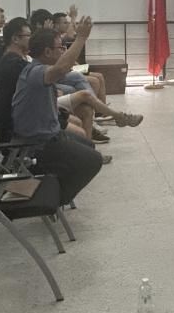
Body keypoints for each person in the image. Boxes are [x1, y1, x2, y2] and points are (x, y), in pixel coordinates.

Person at [13, 22, 105, 202]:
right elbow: (62, 68)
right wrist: (81, 38)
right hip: (38, 142)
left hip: (51, 133)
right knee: (93, 160)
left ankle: (53, 185)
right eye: (61, 48)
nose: (63, 51)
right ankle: (53, 199)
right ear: (47, 52)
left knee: (88, 145)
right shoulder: (36, 71)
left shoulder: (40, 69)